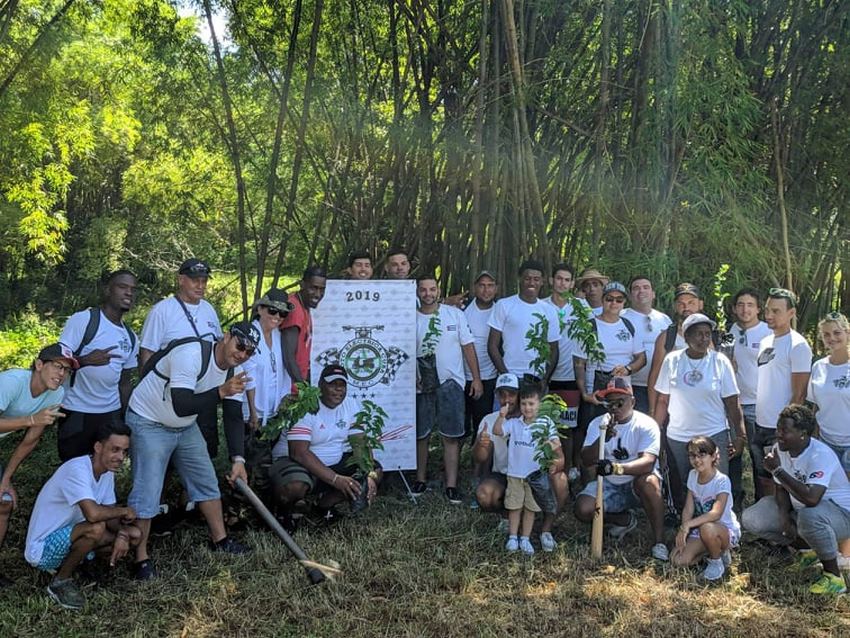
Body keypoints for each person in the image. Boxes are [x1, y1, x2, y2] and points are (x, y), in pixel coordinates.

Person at [125, 322, 258, 580]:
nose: (242, 354)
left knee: (206, 480)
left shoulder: (234, 370)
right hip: (148, 420)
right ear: (227, 336)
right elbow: (182, 404)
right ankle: (140, 559)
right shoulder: (191, 354)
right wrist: (220, 391)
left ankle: (220, 540)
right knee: (148, 490)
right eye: (240, 345)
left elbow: (232, 416)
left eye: (249, 352)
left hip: (184, 427)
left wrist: (238, 459)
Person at [24, 422, 141, 610]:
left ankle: (84, 561)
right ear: (98, 447)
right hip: (43, 549)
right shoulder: (77, 470)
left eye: (124, 452)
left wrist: (123, 534)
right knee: (95, 528)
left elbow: (108, 514)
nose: (120, 457)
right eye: (115, 450)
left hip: (73, 533)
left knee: (135, 535)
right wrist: (124, 511)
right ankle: (60, 582)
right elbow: (94, 514)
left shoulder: (107, 472)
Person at [742, 405, 850, 595]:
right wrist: (784, 518)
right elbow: (780, 488)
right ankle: (807, 551)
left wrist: (777, 470)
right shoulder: (779, 449)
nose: (779, 434)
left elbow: (812, 498)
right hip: (802, 510)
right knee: (752, 518)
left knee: (810, 517)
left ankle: (834, 577)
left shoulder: (820, 455)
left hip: (840, 515)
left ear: (803, 434)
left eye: (785, 430)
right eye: (778, 428)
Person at [653, 313, 745, 511]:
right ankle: (689, 527)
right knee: (687, 486)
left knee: (716, 485)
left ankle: (720, 529)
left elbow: (732, 402)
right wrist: (655, 432)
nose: (704, 339)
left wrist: (740, 436)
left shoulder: (720, 361)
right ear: (686, 337)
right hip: (679, 437)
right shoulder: (672, 360)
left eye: (707, 334)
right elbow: (662, 400)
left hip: (714, 434)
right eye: (698, 334)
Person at [268, 365, 381, 524]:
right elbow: (298, 453)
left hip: (331, 463)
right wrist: (335, 479)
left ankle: (323, 506)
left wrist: (370, 475)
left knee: (374, 469)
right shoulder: (305, 406)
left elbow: (360, 444)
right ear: (320, 385)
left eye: (342, 385)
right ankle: (282, 513)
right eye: (332, 384)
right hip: (294, 461)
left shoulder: (350, 404)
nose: (338, 390)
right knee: (295, 486)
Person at [0, 343, 73, 587]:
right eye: (57, 366)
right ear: (39, 364)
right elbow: (31, 423)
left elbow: (30, 441)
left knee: (4, 504)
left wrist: (6, 479)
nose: (61, 374)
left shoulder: (56, 394)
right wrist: (30, 419)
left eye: (66, 370)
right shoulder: (11, 382)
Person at [574, 378, 668, 560]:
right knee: (583, 509)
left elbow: (648, 462)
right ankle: (624, 520)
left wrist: (616, 468)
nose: (614, 407)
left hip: (636, 483)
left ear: (632, 402)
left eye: (620, 402)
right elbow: (586, 459)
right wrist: (603, 438)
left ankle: (659, 541)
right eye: (609, 402)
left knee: (650, 482)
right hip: (609, 484)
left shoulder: (646, 424)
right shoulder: (598, 424)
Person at [139, 258, 222, 457]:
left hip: (203, 395)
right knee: (165, 458)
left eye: (204, 281)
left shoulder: (209, 309)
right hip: (171, 396)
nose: (200, 286)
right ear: (181, 280)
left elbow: (219, 347)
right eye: (195, 280)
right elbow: (147, 353)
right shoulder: (162, 311)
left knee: (204, 455)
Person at [57, 270, 140, 461]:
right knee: (73, 467)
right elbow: (57, 361)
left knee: (105, 468)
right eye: (122, 287)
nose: (129, 293)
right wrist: (85, 360)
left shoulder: (130, 336)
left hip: (110, 414)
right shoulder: (85, 320)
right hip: (77, 411)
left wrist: (126, 418)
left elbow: (125, 382)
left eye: (133, 289)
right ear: (107, 290)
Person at [414, 275, 483, 503]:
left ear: (438, 290)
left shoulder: (454, 314)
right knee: (421, 434)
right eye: (423, 290)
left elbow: (468, 346)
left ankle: (451, 485)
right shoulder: (409, 318)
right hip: (420, 385)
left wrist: (476, 378)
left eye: (431, 289)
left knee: (451, 436)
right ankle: (420, 479)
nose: (427, 294)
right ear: (417, 292)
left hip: (451, 382)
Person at [753, 288, 812, 498]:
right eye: (768, 310)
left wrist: (784, 428)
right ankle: (762, 522)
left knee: (781, 480)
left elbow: (799, 394)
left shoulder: (798, 346)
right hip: (760, 422)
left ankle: (783, 525)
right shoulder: (765, 341)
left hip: (779, 427)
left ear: (791, 313)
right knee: (761, 476)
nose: (769, 315)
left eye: (776, 311)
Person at [492, 383, 562, 554]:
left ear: (540, 404)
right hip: (515, 474)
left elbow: (557, 442)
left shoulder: (545, 423)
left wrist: (548, 445)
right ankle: (512, 537)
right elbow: (497, 431)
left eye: (531, 404)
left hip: (534, 475)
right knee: (514, 506)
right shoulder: (514, 423)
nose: (527, 408)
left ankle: (525, 538)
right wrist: (501, 416)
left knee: (531, 508)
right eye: (524, 404)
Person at [670, 436, 740, 582]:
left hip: (723, 529)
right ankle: (711, 551)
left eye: (702, 455)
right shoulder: (692, 475)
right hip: (701, 528)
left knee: (707, 528)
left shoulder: (721, 480)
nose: (697, 460)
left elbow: (716, 513)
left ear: (713, 456)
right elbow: (688, 508)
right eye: (692, 456)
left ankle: (717, 561)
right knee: (677, 559)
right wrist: (684, 529)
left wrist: (689, 524)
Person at [573, 281, 647, 420]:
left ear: (624, 302)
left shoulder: (628, 326)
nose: (614, 303)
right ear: (602, 300)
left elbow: (641, 358)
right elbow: (578, 363)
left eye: (619, 300)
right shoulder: (589, 327)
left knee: (620, 429)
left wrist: (628, 369)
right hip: (596, 390)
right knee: (595, 431)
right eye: (609, 299)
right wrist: (584, 394)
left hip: (622, 389)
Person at [728, 288, 772, 505]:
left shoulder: (767, 332)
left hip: (758, 403)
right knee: (733, 455)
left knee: (758, 458)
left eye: (750, 305)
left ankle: (761, 503)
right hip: (733, 403)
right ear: (735, 308)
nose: (745, 309)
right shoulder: (731, 331)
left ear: (758, 309)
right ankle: (734, 500)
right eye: (741, 305)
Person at [543, 262, 585, 481]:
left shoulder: (580, 307)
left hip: (570, 375)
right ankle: (545, 467)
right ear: (551, 280)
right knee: (544, 422)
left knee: (567, 426)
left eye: (567, 280)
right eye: (558, 278)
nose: (562, 283)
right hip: (544, 376)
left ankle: (567, 469)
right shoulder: (540, 306)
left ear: (572, 283)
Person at [487, 259, 560, 384]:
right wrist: (506, 375)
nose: (532, 283)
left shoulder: (549, 311)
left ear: (542, 282)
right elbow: (492, 345)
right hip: (510, 374)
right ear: (520, 279)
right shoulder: (504, 305)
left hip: (536, 377)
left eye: (536, 279)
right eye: (527, 278)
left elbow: (554, 349)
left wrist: (545, 379)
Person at [647, 282, 705, 417]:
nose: (686, 308)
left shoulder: (713, 334)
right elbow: (655, 374)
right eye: (681, 303)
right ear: (675, 306)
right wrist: (652, 410)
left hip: (706, 407)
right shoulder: (667, 337)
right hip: (673, 408)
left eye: (691, 303)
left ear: (700, 304)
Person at [243, 289, 294, 431]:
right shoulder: (249, 334)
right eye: (272, 310)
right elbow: (249, 375)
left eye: (283, 313)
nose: (277, 316)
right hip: (251, 413)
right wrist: (253, 413)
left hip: (274, 411)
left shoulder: (278, 335)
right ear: (260, 309)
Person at [620, 276, 672, 413]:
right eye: (636, 288)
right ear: (630, 295)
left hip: (661, 387)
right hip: (631, 387)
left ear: (653, 294)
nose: (641, 291)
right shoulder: (621, 317)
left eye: (646, 287)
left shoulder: (664, 319)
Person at [807, 312, 850, 476]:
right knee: (829, 492)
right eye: (826, 334)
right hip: (825, 442)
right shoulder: (818, 367)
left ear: (847, 333)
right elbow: (815, 406)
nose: (832, 338)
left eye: (837, 333)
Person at [472, 373, 518, 518]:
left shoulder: (528, 420)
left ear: (519, 395)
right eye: (502, 395)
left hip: (523, 476)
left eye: (511, 394)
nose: (506, 400)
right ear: (496, 396)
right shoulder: (489, 420)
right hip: (500, 474)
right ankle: (503, 512)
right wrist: (481, 444)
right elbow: (478, 457)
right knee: (485, 495)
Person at [463, 271, 499, 451]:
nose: (486, 290)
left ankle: (478, 467)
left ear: (496, 288)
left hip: (489, 375)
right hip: (462, 375)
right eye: (482, 285)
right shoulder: (463, 310)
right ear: (475, 288)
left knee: (483, 423)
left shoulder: (501, 310)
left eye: (490, 285)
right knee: (461, 424)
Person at [281, 265, 327, 385]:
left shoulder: (304, 305)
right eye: (313, 288)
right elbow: (289, 357)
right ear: (302, 284)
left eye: (322, 289)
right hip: (290, 388)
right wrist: (303, 389)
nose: (318, 294)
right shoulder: (294, 309)